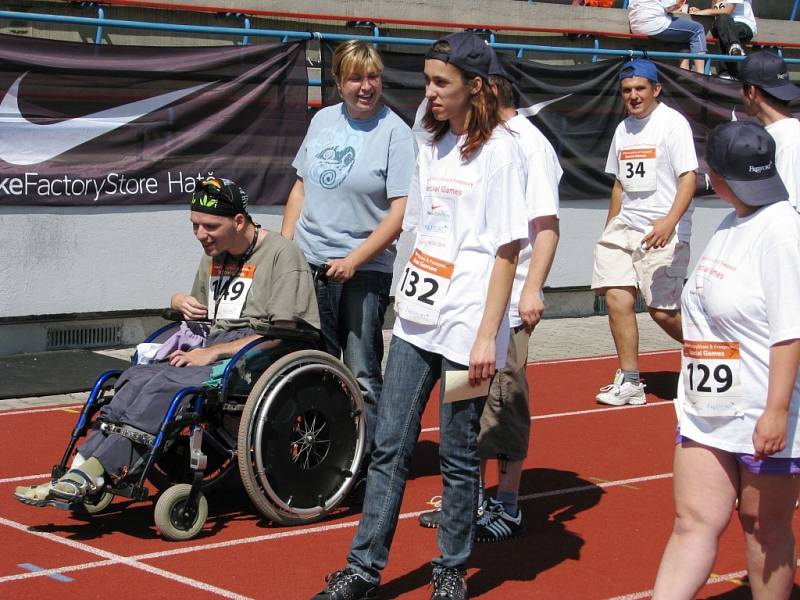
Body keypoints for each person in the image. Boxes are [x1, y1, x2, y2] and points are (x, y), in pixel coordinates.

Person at [311, 32, 530, 600]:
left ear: (474, 87)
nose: (429, 92)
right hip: (415, 322)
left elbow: (509, 251)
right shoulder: (427, 138)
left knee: (458, 452)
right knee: (389, 444)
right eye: (428, 80)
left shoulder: (502, 152)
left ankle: (451, 570)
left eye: (441, 83)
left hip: (467, 334)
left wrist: (488, 337)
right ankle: (363, 568)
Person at [15, 177, 320, 507]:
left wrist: (214, 352)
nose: (201, 235)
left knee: (169, 385)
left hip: (257, 351)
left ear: (239, 221)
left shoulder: (281, 254)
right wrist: (179, 302)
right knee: (136, 377)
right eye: (195, 226)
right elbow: (202, 315)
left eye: (210, 226)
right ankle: (83, 468)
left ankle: (95, 470)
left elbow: (284, 333)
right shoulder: (213, 255)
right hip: (214, 343)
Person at [417, 54, 562, 543]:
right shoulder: (468, 142)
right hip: (466, 302)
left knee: (504, 401)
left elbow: (545, 225)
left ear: (487, 91)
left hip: (510, 298)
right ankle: (470, 498)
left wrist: (532, 288)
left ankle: (509, 502)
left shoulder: (528, 146)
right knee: (466, 402)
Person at [652, 120, 800, 600]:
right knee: (692, 521)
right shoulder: (730, 223)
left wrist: (777, 410)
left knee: (763, 526)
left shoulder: (782, 231)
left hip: (762, 410)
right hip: (707, 410)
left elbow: (791, 329)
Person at [281, 40, 415, 459]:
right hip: (310, 264)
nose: (366, 86)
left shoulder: (396, 133)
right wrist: (285, 252)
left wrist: (354, 260)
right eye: (356, 77)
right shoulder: (322, 121)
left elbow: (399, 213)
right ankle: (320, 450)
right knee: (313, 367)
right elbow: (300, 187)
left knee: (361, 373)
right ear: (339, 82)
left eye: (372, 76)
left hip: (364, 271)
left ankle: (366, 461)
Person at [592, 58, 698, 406]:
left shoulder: (673, 124)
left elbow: (689, 179)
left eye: (640, 89)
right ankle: (632, 381)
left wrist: (669, 222)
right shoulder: (623, 129)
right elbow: (620, 184)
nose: (633, 96)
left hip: (664, 227)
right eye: (626, 91)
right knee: (616, 297)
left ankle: (717, 353)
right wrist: (611, 225)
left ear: (656, 89)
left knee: (662, 310)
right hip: (626, 226)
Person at [739, 50, 800, 211]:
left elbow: (787, 211)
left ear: (751, 91)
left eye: (740, 87)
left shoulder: (788, 142)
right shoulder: (787, 135)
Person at [628, 0, 707, 74]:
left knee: (685, 35)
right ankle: (701, 75)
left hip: (635, 25)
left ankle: (684, 72)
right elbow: (674, 4)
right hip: (652, 23)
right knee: (698, 29)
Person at [689, 0, 756, 67]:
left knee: (723, 18)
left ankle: (735, 46)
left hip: (742, 25)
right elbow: (715, 11)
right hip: (722, 26)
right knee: (722, 30)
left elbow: (727, 11)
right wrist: (699, 11)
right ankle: (733, 52)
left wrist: (705, 11)